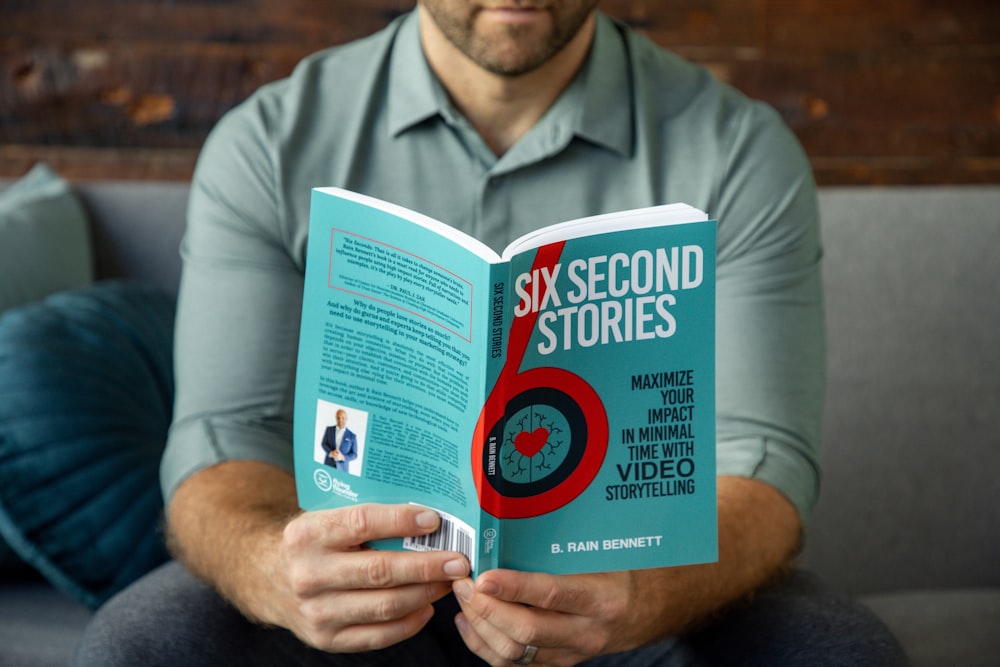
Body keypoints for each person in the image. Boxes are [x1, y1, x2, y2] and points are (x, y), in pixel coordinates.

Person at [74, 1, 908, 665]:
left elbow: (762, 460)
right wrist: (271, 567)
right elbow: (220, 439)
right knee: (143, 642)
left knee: (840, 650)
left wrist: (644, 597)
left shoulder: (738, 149)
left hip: (628, 603)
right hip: (364, 610)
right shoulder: (269, 142)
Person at [321, 409, 358, 473]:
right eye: (338, 417)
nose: (340, 420)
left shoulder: (352, 436)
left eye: (343, 418)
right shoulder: (329, 430)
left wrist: (343, 457)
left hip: (342, 469)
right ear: (336, 418)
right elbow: (324, 443)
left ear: (346, 419)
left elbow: (354, 454)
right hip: (328, 465)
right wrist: (330, 453)